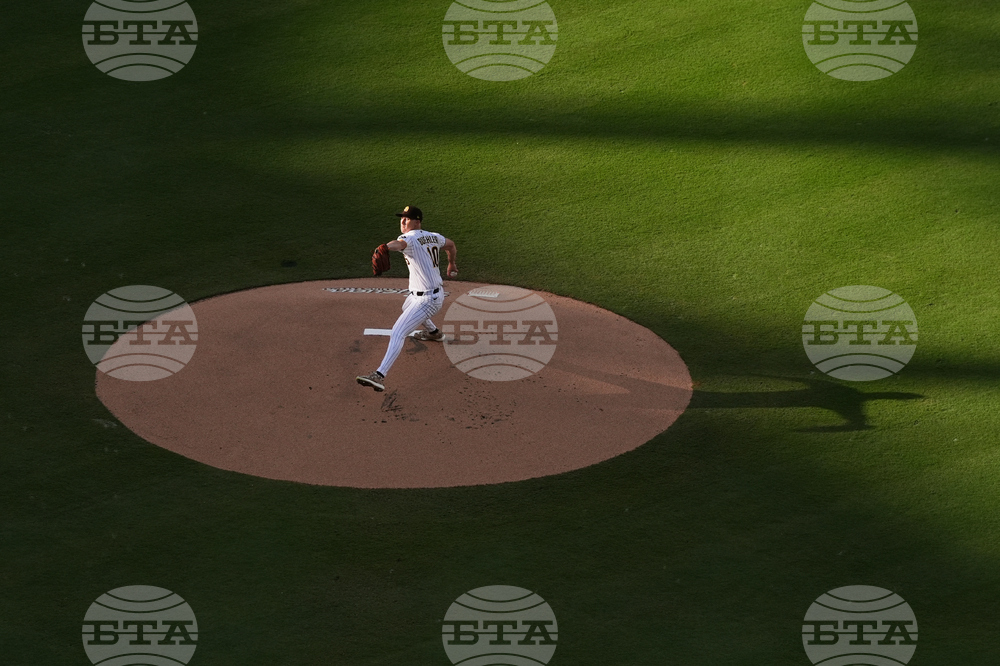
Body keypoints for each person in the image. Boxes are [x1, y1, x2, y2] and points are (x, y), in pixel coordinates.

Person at [357, 206, 458, 392]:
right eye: (402, 218)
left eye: (407, 219)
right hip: (431, 295)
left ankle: (379, 375)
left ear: (417, 221)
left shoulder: (409, 238)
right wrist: (451, 263)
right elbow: (451, 245)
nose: (403, 221)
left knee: (397, 332)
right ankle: (434, 333)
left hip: (427, 301)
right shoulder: (433, 236)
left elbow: (400, 244)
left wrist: (386, 247)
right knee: (406, 305)